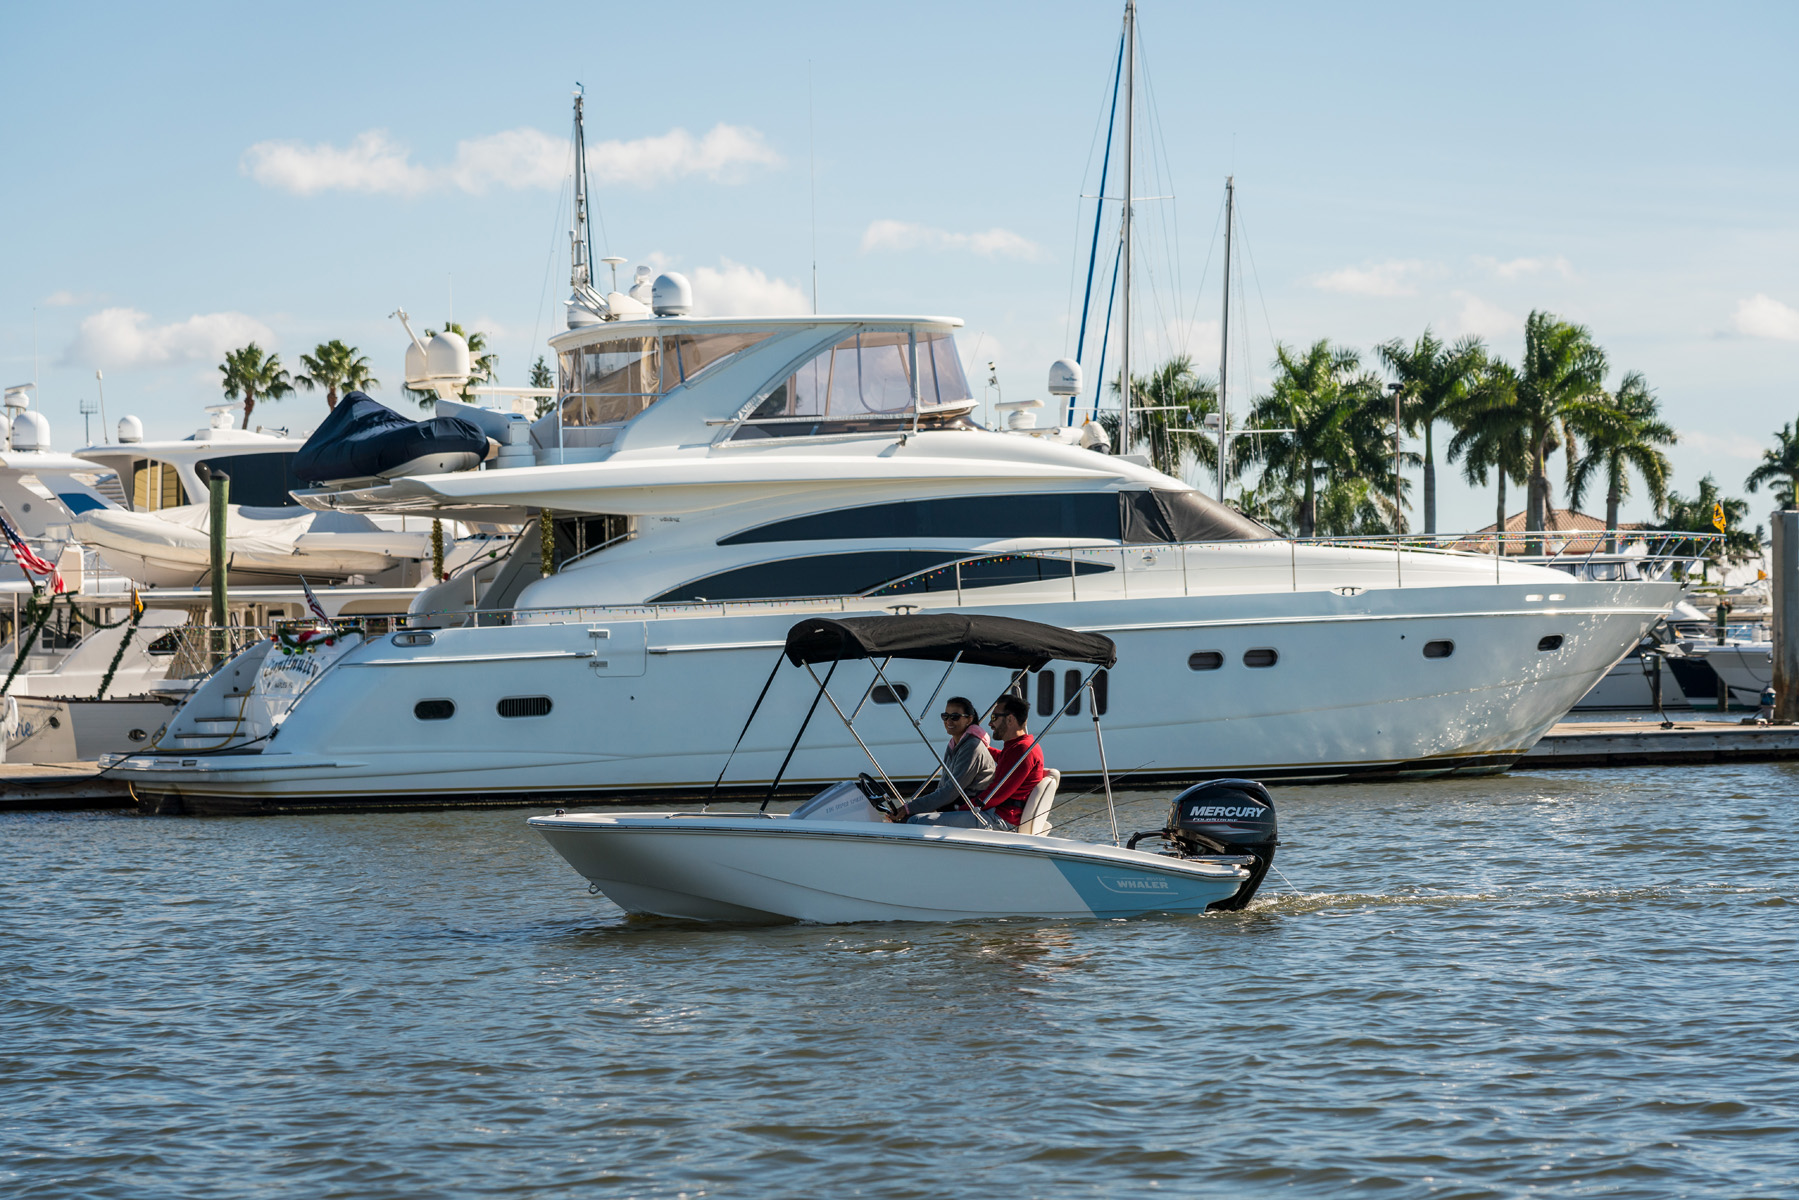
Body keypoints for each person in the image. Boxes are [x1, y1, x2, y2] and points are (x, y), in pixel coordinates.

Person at [905, 693, 1044, 831]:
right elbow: (1004, 759)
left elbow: (996, 794)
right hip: (995, 814)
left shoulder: (1023, 750)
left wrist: (961, 809)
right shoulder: (1018, 747)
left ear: (1010, 719)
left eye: (994, 717)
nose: (990, 723)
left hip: (1001, 820)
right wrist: (978, 747)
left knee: (915, 821)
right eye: (945, 717)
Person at [894, 697, 994, 821]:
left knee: (913, 820)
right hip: (957, 805)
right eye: (945, 716)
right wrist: (910, 809)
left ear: (969, 719)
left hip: (975, 811)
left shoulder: (973, 746)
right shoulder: (954, 744)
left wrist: (909, 808)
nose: (948, 721)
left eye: (955, 717)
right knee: (907, 817)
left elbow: (951, 791)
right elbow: (943, 787)